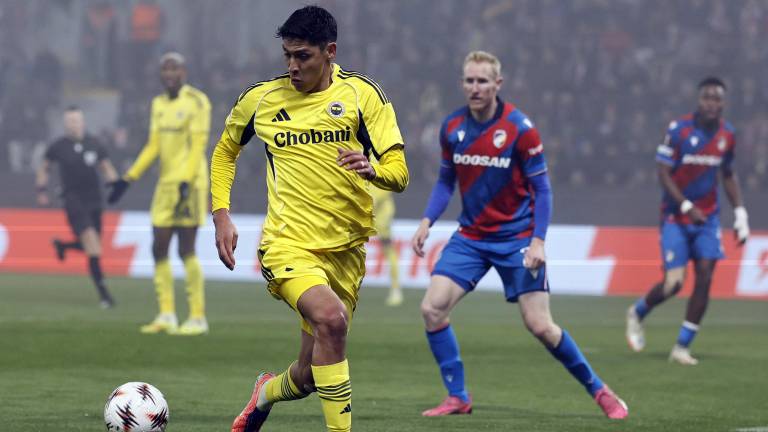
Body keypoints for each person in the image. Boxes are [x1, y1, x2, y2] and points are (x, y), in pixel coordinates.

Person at [210, 6, 408, 432]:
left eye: (303, 56)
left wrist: (374, 170)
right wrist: (221, 214)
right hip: (288, 244)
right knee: (331, 321)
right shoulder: (261, 99)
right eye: (287, 55)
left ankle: (265, 392)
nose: (293, 66)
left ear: (330, 51)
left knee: (309, 375)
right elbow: (226, 151)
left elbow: (400, 173)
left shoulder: (363, 96)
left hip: (346, 250)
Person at [411, 51, 628, 419]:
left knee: (541, 326)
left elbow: (542, 188)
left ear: (498, 84)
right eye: (469, 80)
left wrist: (538, 240)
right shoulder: (452, 127)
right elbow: (446, 180)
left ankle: (600, 391)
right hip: (471, 238)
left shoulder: (520, 129)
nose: (475, 88)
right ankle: (458, 397)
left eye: (482, 81)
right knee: (432, 308)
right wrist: (427, 221)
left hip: (516, 238)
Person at [626, 77, 749, 365]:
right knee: (674, 284)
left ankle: (682, 347)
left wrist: (740, 213)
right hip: (675, 217)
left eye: (717, 99)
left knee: (705, 276)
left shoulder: (727, 134)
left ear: (723, 103)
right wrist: (685, 205)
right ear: (698, 100)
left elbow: (728, 174)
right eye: (707, 97)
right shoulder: (678, 130)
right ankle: (637, 312)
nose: (712, 103)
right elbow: (662, 172)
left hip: (707, 219)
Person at [108, 52, 211, 336]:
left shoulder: (198, 101)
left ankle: (197, 317)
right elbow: (153, 145)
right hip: (166, 184)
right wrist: (128, 178)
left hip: (190, 183)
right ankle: (166, 314)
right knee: (158, 247)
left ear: (184, 72)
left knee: (186, 249)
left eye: (174, 68)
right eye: (165, 69)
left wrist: (186, 180)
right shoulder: (158, 104)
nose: (169, 74)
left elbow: (199, 144)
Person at [36, 105, 118, 308]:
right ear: (65, 124)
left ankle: (63, 246)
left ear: (82, 122)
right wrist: (41, 190)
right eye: (69, 121)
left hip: (95, 201)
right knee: (92, 245)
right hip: (73, 201)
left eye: (76, 120)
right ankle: (105, 295)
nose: (73, 124)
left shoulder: (94, 143)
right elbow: (44, 168)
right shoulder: (58, 146)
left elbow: (106, 168)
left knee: (92, 247)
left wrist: (116, 185)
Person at [371, 186, 403, 306]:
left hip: (381, 214)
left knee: (388, 248)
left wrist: (374, 199)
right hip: (363, 211)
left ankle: (396, 289)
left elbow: (387, 183)